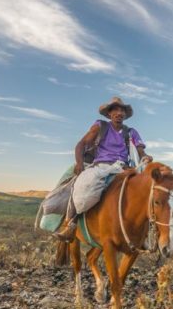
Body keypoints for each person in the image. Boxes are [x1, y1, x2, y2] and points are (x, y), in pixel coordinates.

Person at [53, 97, 152, 242]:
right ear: (109, 114)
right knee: (83, 185)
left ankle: (145, 233)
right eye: (115, 110)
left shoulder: (131, 132)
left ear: (125, 114)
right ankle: (71, 224)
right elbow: (81, 144)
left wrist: (145, 156)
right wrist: (79, 163)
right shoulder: (101, 126)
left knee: (148, 192)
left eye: (122, 110)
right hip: (101, 166)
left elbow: (140, 150)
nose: (119, 113)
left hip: (123, 168)